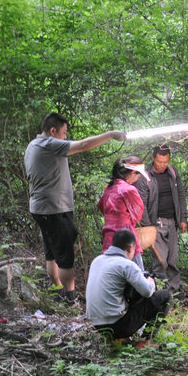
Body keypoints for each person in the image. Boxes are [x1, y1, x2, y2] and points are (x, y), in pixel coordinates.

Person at [24, 112, 126, 302]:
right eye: (63, 133)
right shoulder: (48, 144)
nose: (65, 138)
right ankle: (70, 298)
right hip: (55, 209)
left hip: (41, 209)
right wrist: (112, 134)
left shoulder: (33, 145)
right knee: (64, 256)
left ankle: (57, 291)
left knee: (51, 252)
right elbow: (83, 145)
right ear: (52, 131)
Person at [85, 229, 173, 341]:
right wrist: (150, 281)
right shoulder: (127, 265)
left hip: (97, 325)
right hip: (118, 326)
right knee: (166, 296)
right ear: (130, 248)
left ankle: (116, 340)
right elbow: (147, 292)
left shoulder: (97, 261)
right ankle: (146, 340)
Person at [135, 144, 188, 294]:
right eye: (160, 162)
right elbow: (141, 205)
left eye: (166, 162)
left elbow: (181, 196)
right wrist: (148, 227)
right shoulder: (145, 178)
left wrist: (183, 218)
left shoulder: (172, 173)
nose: (163, 165)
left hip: (172, 221)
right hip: (155, 223)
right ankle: (159, 291)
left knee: (172, 260)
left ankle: (174, 290)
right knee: (160, 260)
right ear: (153, 159)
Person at [98, 156, 148, 270]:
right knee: (136, 274)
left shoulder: (109, 188)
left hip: (109, 237)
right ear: (132, 173)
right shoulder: (129, 190)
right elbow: (138, 214)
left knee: (112, 275)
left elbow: (101, 207)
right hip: (126, 237)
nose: (138, 178)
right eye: (138, 174)